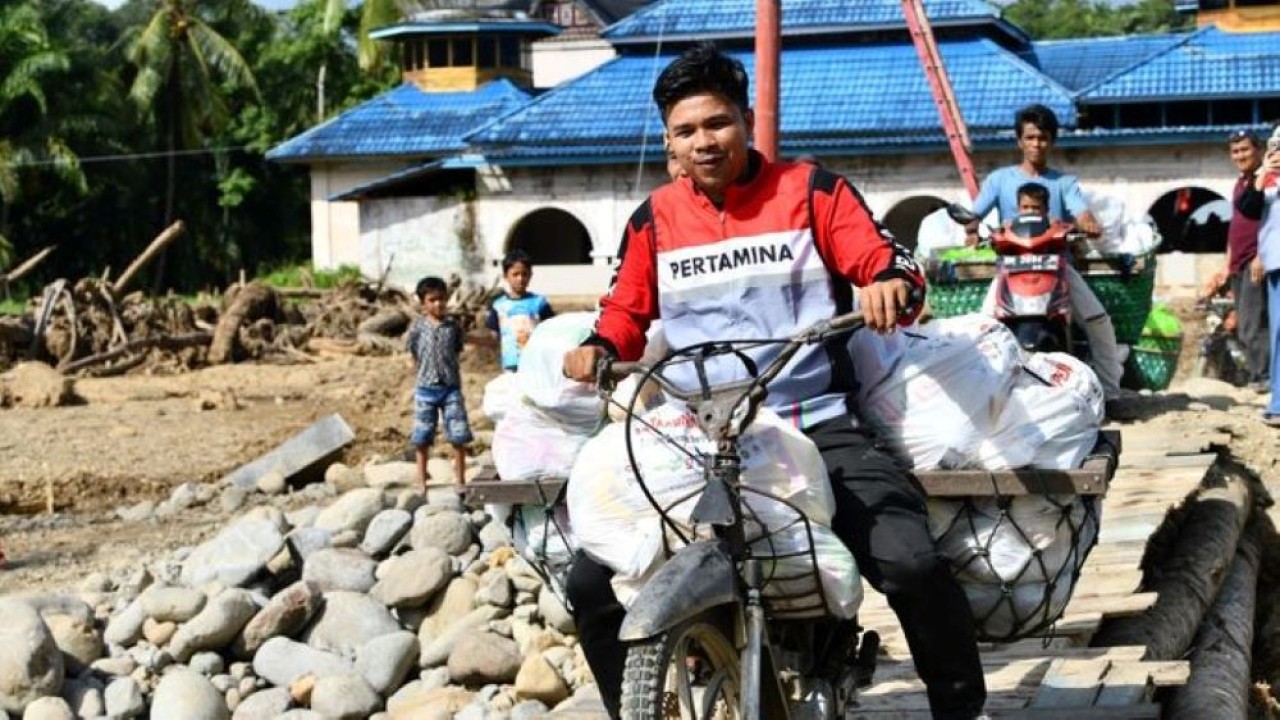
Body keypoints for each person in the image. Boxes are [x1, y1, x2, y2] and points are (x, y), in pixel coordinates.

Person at [561, 43, 987, 720]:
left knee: (907, 560)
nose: (704, 142)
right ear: (670, 141)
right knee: (588, 581)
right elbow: (624, 312)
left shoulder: (810, 189)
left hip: (814, 423)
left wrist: (886, 285)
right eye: (686, 131)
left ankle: (961, 708)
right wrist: (597, 346)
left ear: (746, 120)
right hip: (699, 439)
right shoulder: (653, 221)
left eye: (717, 123)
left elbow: (884, 259)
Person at [968, 104, 1125, 413]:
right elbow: (974, 214)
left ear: (1051, 141)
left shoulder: (1064, 183)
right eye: (1030, 137)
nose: (1036, 144)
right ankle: (982, 397)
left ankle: (1111, 394)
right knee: (982, 328)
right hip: (1009, 270)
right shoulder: (999, 180)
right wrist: (971, 228)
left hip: (1056, 267)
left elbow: (1080, 211)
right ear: (1019, 141)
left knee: (1098, 321)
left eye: (1043, 138)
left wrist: (1088, 222)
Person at [1205, 130, 1269, 391]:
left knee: (1255, 324)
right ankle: (1259, 376)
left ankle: (1264, 378)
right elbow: (1236, 230)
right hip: (1238, 265)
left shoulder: (1266, 181)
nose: (1240, 155)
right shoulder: (1241, 183)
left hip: (1256, 262)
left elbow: (1272, 223)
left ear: (1259, 150)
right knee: (1244, 324)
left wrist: (1261, 255)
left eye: (1245, 149)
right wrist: (1226, 265)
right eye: (1235, 151)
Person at [407, 276, 474, 492]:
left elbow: (456, 350)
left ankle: (460, 480)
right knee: (422, 435)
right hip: (425, 389)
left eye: (442, 299)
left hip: (450, 388)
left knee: (458, 434)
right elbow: (413, 352)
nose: (438, 304)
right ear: (423, 303)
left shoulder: (452, 327)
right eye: (432, 300)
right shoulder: (417, 328)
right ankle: (421, 479)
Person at [1236, 126, 1280, 425]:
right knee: (1279, 333)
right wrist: (1262, 175)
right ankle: (1278, 403)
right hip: (1277, 261)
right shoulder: (1268, 183)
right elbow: (1248, 210)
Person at [485, 249, 555, 373]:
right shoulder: (499, 306)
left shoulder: (539, 303)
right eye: (515, 274)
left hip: (535, 363)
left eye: (524, 274)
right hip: (511, 364)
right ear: (506, 276)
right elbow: (493, 336)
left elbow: (551, 330)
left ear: (530, 275)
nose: (520, 279)